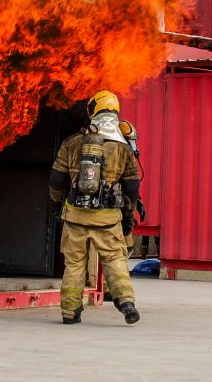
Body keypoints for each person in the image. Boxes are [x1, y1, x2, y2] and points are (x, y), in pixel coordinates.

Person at [48, 89, 141, 325]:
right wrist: (128, 217)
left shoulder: (72, 142)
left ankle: (70, 312)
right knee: (114, 259)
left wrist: (57, 205)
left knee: (74, 264)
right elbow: (131, 186)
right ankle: (126, 302)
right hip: (108, 218)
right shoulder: (123, 148)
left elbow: (57, 180)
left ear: (92, 110)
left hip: (75, 215)